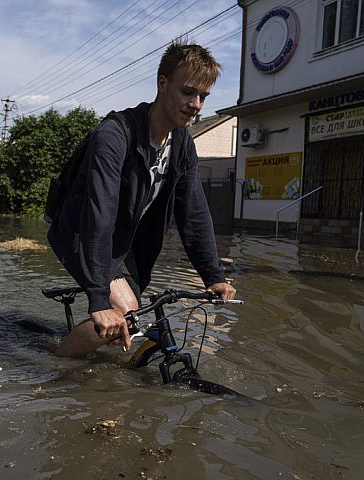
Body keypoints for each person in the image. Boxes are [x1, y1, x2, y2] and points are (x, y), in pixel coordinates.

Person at [47, 41, 236, 357]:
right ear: (162, 84)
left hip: (124, 243)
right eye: (188, 92)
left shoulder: (182, 144)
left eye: (203, 96)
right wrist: (97, 297)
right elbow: (99, 213)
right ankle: (52, 364)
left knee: (129, 322)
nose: (197, 104)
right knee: (125, 309)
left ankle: (98, 367)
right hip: (81, 232)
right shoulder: (114, 135)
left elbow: (193, 212)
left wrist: (213, 276)